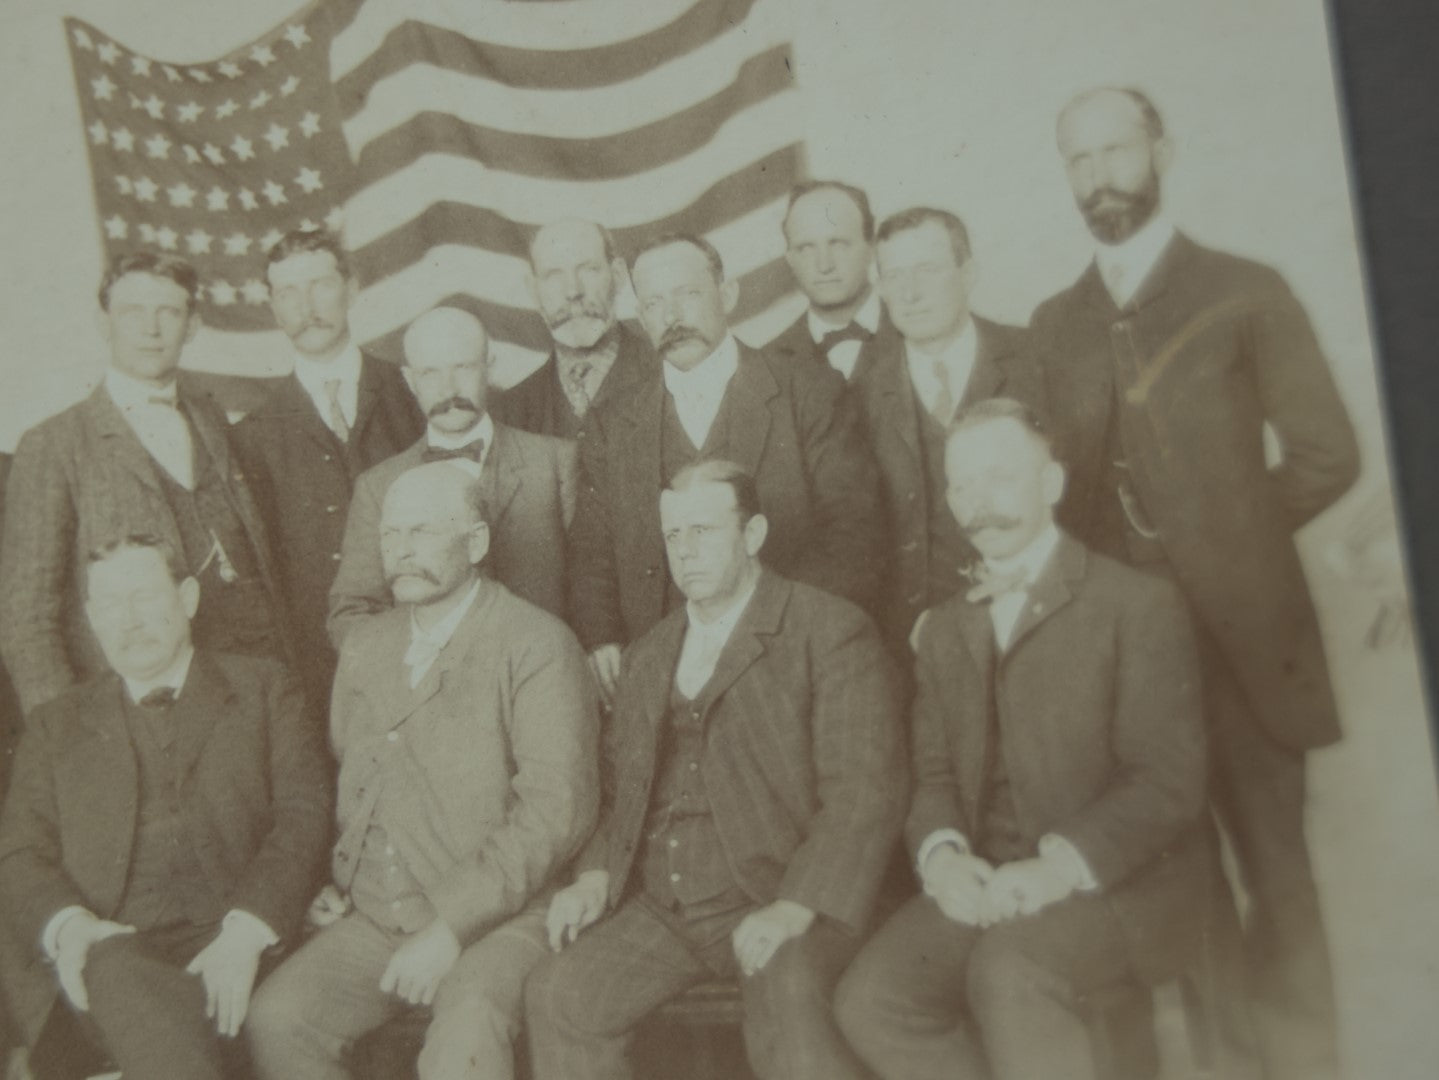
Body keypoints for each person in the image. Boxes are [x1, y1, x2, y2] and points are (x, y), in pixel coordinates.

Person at [1030, 86, 1360, 1079]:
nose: (1098, 177)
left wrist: (1223, 543)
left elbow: (1325, 454)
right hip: (1131, 668)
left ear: (1161, 148)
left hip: (1250, 647)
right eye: (1077, 160)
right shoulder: (1055, 324)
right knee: (1186, 895)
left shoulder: (1243, 288)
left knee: (1277, 877)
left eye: (1114, 150)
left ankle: (1307, 1067)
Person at [835, 400, 1224, 1080]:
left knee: (1008, 967)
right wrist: (944, 856)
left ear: (1051, 484)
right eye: (960, 485)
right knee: (872, 999)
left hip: (1126, 883)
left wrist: (1055, 868)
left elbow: (1167, 784)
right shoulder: (948, 628)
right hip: (991, 879)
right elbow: (930, 776)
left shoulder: (1135, 605)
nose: (976, 503)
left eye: (999, 477)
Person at [527, 459, 906, 1080]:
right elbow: (619, 792)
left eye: (704, 530)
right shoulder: (651, 653)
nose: (685, 552)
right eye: (673, 536)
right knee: (561, 994)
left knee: (789, 998)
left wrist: (795, 906)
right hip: (667, 907)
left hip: (779, 890)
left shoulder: (830, 632)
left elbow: (864, 795)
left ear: (753, 535)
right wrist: (594, 874)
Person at [247, 463, 597, 1080]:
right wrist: (333, 878)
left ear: (478, 542)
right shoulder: (366, 645)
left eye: (422, 533)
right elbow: (343, 776)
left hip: (501, 917)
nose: (401, 553)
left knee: (464, 1040)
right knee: (279, 1020)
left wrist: (449, 928)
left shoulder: (537, 643)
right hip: (379, 913)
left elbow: (554, 811)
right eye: (390, 536)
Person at [0, 534, 330, 1080]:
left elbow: (305, 811)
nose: (128, 620)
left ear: (189, 598)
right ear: (91, 619)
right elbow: (17, 850)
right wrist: (71, 925)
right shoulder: (56, 725)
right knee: (115, 970)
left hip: (239, 934)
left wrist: (247, 930)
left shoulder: (263, 688)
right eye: (109, 605)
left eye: (144, 597)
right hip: (118, 954)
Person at [567, 234, 883, 705]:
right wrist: (602, 638)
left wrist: (776, 639)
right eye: (653, 303)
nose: (671, 316)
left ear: (728, 295)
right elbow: (593, 552)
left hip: (787, 671)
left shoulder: (808, 391)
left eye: (687, 295)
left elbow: (854, 536)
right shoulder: (611, 420)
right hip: (660, 685)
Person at [0, 252, 287, 715]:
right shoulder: (53, 445)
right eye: (133, 312)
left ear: (192, 325)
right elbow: (26, 621)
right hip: (134, 717)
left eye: (168, 312)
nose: (151, 330)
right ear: (103, 323)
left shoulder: (212, 418)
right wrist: (68, 744)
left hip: (251, 694)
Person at [232, 231, 424, 716]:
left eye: (319, 284)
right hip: (327, 671)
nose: (306, 306)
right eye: (288, 293)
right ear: (273, 307)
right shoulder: (251, 436)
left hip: (428, 639)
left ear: (352, 288)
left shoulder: (414, 390)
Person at [327, 306, 577, 649]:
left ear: (489, 367)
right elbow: (351, 612)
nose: (448, 389)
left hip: (540, 677)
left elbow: (593, 590)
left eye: (463, 367)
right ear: (410, 381)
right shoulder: (377, 487)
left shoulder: (555, 463)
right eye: (430, 373)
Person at [855, 207, 1044, 653]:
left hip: (1030, 626)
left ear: (968, 272)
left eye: (928, 269)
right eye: (894, 275)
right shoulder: (858, 392)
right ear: (879, 287)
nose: (911, 292)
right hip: (909, 647)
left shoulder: (1036, 363)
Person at [492, 218, 653, 439]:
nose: (573, 291)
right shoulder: (510, 412)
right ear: (533, 290)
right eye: (553, 276)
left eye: (589, 270)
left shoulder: (668, 374)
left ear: (618, 275)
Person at [766, 181, 891, 384]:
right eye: (806, 248)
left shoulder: (922, 330)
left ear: (871, 248)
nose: (824, 265)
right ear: (790, 259)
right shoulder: (766, 366)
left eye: (839, 244)